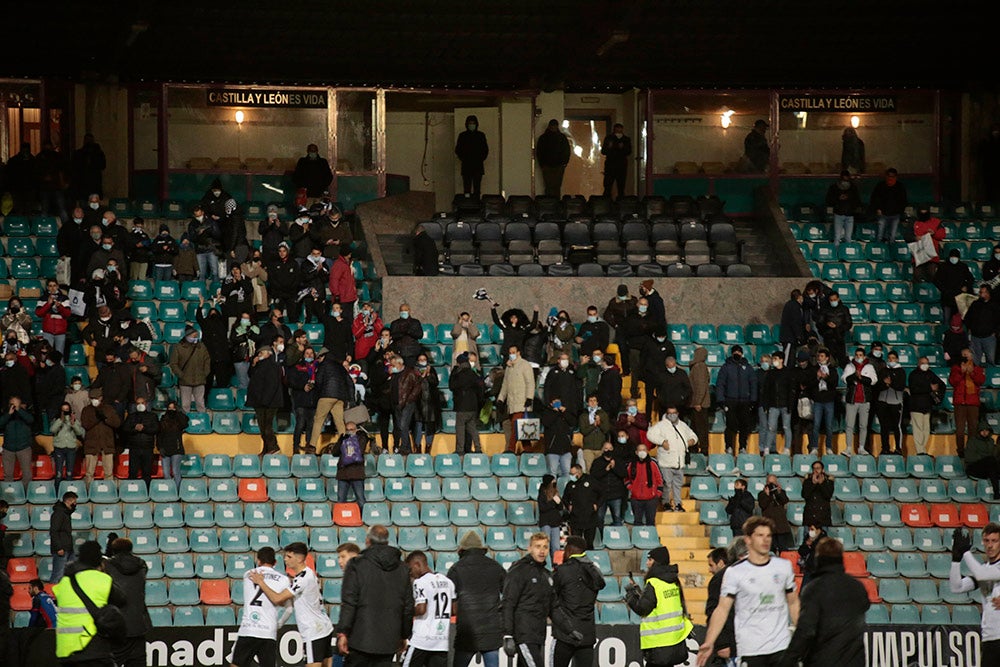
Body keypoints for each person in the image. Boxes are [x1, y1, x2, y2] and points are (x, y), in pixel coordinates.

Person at [698, 517, 799, 667]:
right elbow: (721, 609)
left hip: (780, 647)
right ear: (748, 540)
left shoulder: (783, 567)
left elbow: (793, 602)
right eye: (760, 535)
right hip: (751, 650)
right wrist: (711, 641)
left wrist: (804, 635)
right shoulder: (734, 573)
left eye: (768, 535)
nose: (765, 540)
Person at [780, 538, 869, 667]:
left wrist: (787, 661)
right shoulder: (857, 587)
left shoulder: (814, 589)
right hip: (855, 661)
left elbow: (805, 631)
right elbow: (864, 607)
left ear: (818, 558)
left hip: (823, 660)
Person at [336, 525, 415, 666]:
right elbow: (408, 606)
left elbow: (349, 601)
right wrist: (404, 634)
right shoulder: (403, 568)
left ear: (367, 541)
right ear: (386, 542)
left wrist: (343, 632)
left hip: (359, 639)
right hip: (389, 640)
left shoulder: (356, 565)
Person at [250, 542, 335, 667]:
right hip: (324, 627)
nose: (285, 559)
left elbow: (277, 599)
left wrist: (261, 583)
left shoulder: (303, 579)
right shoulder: (308, 573)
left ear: (299, 558)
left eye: (289, 557)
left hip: (313, 631)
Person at [52, 540, 126, 667]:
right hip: (93, 648)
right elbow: (121, 599)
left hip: (66, 651)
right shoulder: (102, 579)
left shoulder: (64, 582)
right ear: (98, 560)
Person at [625, 545, 694, 667]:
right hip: (674, 641)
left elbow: (642, 609)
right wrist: (639, 591)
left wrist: (630, 594)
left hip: (658, 644)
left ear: (657, 562)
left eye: (650, 560)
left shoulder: (654, 583)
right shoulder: (673, 581)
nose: (647, 564)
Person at [448, 530, 506, 667]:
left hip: (467, 632)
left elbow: (450, 601)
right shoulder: (496, 567)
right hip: (491, 630)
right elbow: (509, 594)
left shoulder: (456, 569)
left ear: (462, 550)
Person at [550, 535, 605, 667]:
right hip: (587, 634)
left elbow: (552, 597)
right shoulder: (593, 573)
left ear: (568, 550)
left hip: (565, 634)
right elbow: (601, 584)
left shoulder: (562, 571)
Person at [231, 547, 290, 667]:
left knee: (236, 664)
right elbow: (289, 609)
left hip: (248, 628)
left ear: (258, 560)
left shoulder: (248, 574)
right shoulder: (284, 580)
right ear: (275, 562)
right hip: (268, 631)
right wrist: (279, 624)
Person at [501, 532, 554, 667]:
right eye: (538, 546)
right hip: (524, 635)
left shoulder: (546, 575)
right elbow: (508, 603)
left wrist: (569, 629)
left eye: (545, 547)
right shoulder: (519, 571)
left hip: (538, 635)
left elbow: (554, 607)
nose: (542, 551)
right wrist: (507, 635)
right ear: (529, 548)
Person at [950, 523, 1000, 666]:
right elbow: (956, 587)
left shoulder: (988, 570)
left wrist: (966, 552)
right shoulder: (985, 568)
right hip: (990, 637)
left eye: (994, 541)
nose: (990, 545)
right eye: (986, 541)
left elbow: (982, 575)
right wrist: (955, 561)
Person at [403, 550, 456, 667]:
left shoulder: (420, 582)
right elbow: (453, 610)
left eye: (410, 569)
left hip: (422, 640)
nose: (410, 574)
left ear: (417, 565)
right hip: (441, 641)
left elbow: (421, 609)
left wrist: (406, 610)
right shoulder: (448, 582)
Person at [106, 537, 152, 667]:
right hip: (138, 624)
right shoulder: (142, 564)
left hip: (117, 625)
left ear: (113, 550)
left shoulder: (107, 566)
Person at [649, 406, 696, 512]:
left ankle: (678, 503)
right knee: (667, 483)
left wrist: (691, 441)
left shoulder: (682, 425)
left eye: (674, 413)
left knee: (678, 484)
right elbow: (650, 434)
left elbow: (693, 435)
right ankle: (666, 503)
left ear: (678, 413)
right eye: (670, 413)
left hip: (679, 461)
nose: (672, 415)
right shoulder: (661, 425)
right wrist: (662, 441)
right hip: (666, 461)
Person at [716, 345, 757, 454]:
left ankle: (742, 447)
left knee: (744, 425)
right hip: (730, 400)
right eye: (735, 352)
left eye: (739, 352)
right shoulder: (726, 367)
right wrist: (721, 400)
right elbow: (720, 384)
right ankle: (729, 446)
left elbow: (753, 383)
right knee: (730, 425)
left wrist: (753, 400)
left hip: (745, 401)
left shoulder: (747, 367)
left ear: (742, 353)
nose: (737, 354)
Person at [247, 345, 287, 455]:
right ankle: (267, 448)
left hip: (270, 402)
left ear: (268, 353)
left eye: (261, 353)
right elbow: (251, 376)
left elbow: (272, 385)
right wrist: (253, 365)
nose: (259, 355)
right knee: (262, 427)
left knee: (267, 427)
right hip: (260, 402)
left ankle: (274, 447)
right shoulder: (259, 366)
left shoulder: (273, 366)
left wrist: (265, 400)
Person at [498, 345, 536, 453]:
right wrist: (501, 399)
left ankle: (511, 448)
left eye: (513, 352)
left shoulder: (525, 365)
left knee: (516, 426)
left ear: (519, 353)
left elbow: (530, 383)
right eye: (510, 352)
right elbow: (505, 385)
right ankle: (528, 449)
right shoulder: (509, 367)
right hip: (512, 402)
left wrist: (529, 397)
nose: (511, 354)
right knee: (521, 427)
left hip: (522, 403)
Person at [704, 548, 737, 667]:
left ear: (721, 563)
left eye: (711, 565)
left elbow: (715, 612)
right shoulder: (738, 574)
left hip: (729, 644)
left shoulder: (718, 580)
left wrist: (722, 644)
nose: (709, 570)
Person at [841, 347, 876, 456]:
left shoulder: (869, 367)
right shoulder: (849, 366)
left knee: (863, 425)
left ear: (864, 356)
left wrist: (861, 378)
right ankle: (848, 448)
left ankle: (861, 447)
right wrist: (854, 376)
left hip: (864, 401)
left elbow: (873, 380)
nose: (858, 357)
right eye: (857, 355)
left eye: (860, 355)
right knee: (849, 425)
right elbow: (844, 379)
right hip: (852, 401)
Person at [951, 347, 986, 457]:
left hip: (973, 403)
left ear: (972, 356)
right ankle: (960, 451)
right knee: (960, 429)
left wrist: (972, 373)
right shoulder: (956, 368)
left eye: (968, 354)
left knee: (973, 429)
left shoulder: (977, 369)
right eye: (963, 354)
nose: (966, 356)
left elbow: (981, 381)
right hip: (960, 403)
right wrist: (961, 372)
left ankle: (970, 450)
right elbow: (953, 381)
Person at [169, 326, 211, 412]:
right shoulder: (179, 347)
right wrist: (181, 375)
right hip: (185, 381)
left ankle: (201, 420)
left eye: (196, 336)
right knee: (185, 404)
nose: (195, 338)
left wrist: (205, 373)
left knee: (200, 403)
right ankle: (185, 422)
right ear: (187, 336)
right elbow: (173, 364)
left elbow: (207, 360)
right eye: (193, 336)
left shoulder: (201, 347)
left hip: (200, 379)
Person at [450, 352, 485, 454]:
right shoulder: (473, 374)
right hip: (473, 406)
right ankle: (478, 448)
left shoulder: (458, 374)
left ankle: (460, 450)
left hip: (462, 406)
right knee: (473, 429)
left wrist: (453, 372)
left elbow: (452, 386)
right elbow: (480, 388)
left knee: (460, 428)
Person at [907, 358, 943, 456]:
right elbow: (914, 389)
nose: (925, 365)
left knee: (926, 429)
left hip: (927, 406)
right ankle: (920, 451)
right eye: (923, 363)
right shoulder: (913, 374)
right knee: (918, 429)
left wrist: (937, 390)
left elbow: (940, 384)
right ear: (918, 364)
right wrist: (929, 388)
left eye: (927, 363)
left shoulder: (930, 374)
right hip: (916, 406)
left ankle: (923, 449)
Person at [873, 350, 906, 455]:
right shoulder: (883, 371)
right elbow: (879, 385)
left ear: (897, 359)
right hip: (883, 401)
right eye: (889, 358)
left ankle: (898, 448)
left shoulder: (901, 371)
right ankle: (885, 448)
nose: (891, 360)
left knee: (897, 426)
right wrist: (885, 384)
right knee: (884, 426)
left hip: (896, 402)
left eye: (893, 358)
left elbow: (901, 386)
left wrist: (890, 383)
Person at [563, 463, 602, 550]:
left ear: (579, 473)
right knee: (576, 545)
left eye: (572, 474)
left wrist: (597, 505)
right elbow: (565, 498)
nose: (571, 476)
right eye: (570, 474)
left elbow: (602, 494)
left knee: (589, 544)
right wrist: (569, 506)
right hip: (576, 518)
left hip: (590, 517)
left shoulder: (591, 481)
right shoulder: (570, 484)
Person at [123, 397, 159, 488]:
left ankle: (146, 491)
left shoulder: (152, 416)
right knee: (132, 472)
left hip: (147, 448)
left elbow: (156, 429)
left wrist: (144, 428)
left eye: (142, 403)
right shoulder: (131, 416)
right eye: (138, 403)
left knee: (147, 472)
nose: (140, 405)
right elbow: (125, 429)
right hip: (134, 448)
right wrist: (135, 429)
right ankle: (132, 491)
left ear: (146, 404)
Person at [592, 440, 628, 531]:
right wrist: (606, 470)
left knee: (617, 519)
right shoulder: (597, 462)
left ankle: (617, 539)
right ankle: (600, 537)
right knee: (599, 519)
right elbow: (593, 475)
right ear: (602, 450)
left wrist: (615, 467)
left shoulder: (618, 461)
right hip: (601, 496)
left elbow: (624, 474)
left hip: (616, 495)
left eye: (610, 448)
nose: (608, 450)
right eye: (606, 448)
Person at [936, 248, 976, 327]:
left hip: (960, 299)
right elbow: (936, 280)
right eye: (952, 256)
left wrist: (966, 286)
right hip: (947, 298)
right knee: (947, 320)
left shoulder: (963, 267)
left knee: (959, 321)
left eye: (955, 257)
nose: (954, 258)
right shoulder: (943, 267)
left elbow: (971, 279)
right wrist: (944, 290)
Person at [808, 348, 838, 454]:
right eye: (818, 356)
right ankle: (815, 447)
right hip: (818, 401)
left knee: (829, 426)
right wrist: (817, 377)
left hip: (829, 400)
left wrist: (825, 377)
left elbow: (834, 384)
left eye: (822, 356)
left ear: (827, 358)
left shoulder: (833, 370)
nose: (820, 358)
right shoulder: (814, 369)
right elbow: (809, 384)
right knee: (816, 425)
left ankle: (829, 447)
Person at [332, 421, 368, 508]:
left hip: (356, 473)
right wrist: (340, 441)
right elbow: (334, 453)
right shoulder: (343, 439)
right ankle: (341, 519)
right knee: (340, 500)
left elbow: (360, 450)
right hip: (343, 474)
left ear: (356, 430)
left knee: (361, 500)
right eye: (347, 430)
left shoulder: (361, 438)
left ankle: (363, 518)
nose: (349, 431)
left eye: (351, 429)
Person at [0, 396, 34, 488]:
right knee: (8, 475)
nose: (14, 405)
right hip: (8, 449)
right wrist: (9, 414)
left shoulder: (26, 413)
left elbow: (30, 420)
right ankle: (9, 495)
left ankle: (26, 493)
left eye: (16, 403)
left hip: (24, 448)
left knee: (27, 474)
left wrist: (19, 409)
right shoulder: (5, 414)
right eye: (12, 403)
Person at [627, 443, 663, 526]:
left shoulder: (653, 464)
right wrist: (632, 489)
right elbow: (627, 479)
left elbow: (660, 479)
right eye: (640, 450)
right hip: (636, 499)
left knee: (650, 522)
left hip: (651, 499)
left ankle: (650, 539)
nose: (642, 452)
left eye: (644, 450)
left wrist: (657, 493)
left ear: (647, 451)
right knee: (637, 522)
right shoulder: (631, 465)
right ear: (636, 452)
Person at [869, 167, 908, 244]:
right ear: (886, 176)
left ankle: (891, 253)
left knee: (892, 237)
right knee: (880, 236)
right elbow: (874, 199)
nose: (890, 178)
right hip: (883, 214)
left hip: (895, 215)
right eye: (889, 176)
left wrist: (900, 211)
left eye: (892, 176)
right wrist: (878, 209)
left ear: (896, 177)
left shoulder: (900, 187)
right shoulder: (880, 186)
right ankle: (879, 252)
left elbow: (903, 200)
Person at [965, 284, 1000, 366]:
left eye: (984, 292)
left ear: (988, 293)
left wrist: (995, 332)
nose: (982, 294)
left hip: (989, 337)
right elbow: (968, 318)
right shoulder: (975, 304)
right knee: (974, 361)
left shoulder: (995, 305)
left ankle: (990, 377)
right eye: (981, 292)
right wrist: (970, 328)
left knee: (991, 360)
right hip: (975, 337)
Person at [815, 291, 852, 368]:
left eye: (834, 299)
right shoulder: (825, 310)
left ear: (838, 299)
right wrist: (827, 325)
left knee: (842, 361)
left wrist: (838, 328)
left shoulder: (844, 309)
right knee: (830, 362)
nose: (833, 301)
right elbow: (819, 323)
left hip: (840, 338)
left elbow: (849, 324)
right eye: (831, 300)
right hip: (828, 338)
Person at [965, 419, 1000, 501]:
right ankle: (997, 493)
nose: (984, 432)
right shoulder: (972, 441)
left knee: (992, 463)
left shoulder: (991, 441)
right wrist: (985, 457)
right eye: (982, 430)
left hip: (988, 468)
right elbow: (969, 457)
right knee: (990, 460)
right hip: (974, 468)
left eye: (986, 430)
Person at [825, 170, 862, 249]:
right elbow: (829, 200)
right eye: (843, 179)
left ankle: (847, 253)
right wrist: (838, 198)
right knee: (837, 237)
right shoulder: (834, 187)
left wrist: (849, 198)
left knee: (848, 237)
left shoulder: (853, 188)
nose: (845, 181)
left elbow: (857, 201)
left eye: (846, 179)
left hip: (850, 215)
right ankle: (836, 254)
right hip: (838, 214)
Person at [455, 115, 489, 196]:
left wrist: (480, 159)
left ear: (477, 124)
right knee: (467, 188)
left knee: (477, 188)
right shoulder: (462, 136)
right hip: (466, 165)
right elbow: (458, 150)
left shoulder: (481, 135)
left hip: (478, 165)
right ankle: (467, 204)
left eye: (473, 123)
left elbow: (485, 150)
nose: (471, 125)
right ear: (466, 124)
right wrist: (464, 159)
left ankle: (476, 203)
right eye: (470, 123)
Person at [536, 119, 572, 197]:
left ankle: (549, 204)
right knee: (554, 187)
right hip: (555, 165)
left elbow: (539, 152)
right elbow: (567, 151)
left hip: (551, 165)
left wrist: (542, 164)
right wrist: (564, 163)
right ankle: (555, 204)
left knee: (551, 187)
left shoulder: (543, 138)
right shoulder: (561, 137)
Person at [912, 204, 946, 284]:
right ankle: (918, 294)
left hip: (932, 255)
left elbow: (942, 235)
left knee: (932, 274)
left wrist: (934, 233)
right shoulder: (913, 222)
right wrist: (915, 238)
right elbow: (907, 235)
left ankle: (933, 294)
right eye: (921, 212)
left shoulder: (937, 222)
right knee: (917, 276)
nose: (923, 213)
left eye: (925, 211)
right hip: (918, 255)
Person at [758, 475, 793, 552]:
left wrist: (778, 492)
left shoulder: (781, 492)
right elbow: (762, 505)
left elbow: (785, 500)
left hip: (781, 525)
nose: (771, 485)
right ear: (766, 483)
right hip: (769, 525)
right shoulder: (762, 494)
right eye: (769, 483)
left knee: (783, 548)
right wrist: (767, 495)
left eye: (773, 482)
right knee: (770, 549)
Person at [49, 491, 78, 583]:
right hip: (61, 549)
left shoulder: (66, 513)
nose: (75, 504)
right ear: (69, 501)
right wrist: (59, 547)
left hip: (68, 548)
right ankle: (52, 594)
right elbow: (54, 531)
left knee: (71, 574)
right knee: (58, 574)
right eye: (74, 502)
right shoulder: (59, 514)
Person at [158, 401, 188, 487]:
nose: (171, 410)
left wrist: (178, 412)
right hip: (165, 449)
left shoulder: (179, 421)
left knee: (176, 472)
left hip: (177, 449)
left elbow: (185, 423)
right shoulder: (163, 419)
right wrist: (160, 447)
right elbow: (159, 435)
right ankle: (170, 491)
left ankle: (177, 491)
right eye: (169, 408)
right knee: (166, 473)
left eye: (173, 408)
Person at [578, 393, 611, 471]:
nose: (592, 402)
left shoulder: (603, 414)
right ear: (587, 403)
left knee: (600, 469)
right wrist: (594, 425)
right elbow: (583, 431)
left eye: (594, 400)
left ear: (597, 402)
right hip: (588, 448)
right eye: (590, 400)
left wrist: (599, 423)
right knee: (589, 469)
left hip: (600, 447)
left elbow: (606, 429)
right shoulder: (583, 416)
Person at [536, 474, 564, 560]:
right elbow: (543, 508)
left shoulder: (555, 492)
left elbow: (560, 507)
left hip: (555, 523)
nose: (554, 483)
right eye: (552, 481)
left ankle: (556, 565)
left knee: (556, 546)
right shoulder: (542, 494)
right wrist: (553, 502)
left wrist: (559, 502)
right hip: (546, 523)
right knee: (545, 545)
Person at [72, 133, 107, 200]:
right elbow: (75, 168)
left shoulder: (98, 153)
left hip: (94, 181)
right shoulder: (79, 154)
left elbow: (103, 165)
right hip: (83, 182)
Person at [601, 123, 631, 199]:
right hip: (611, 165)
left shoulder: (626, 139)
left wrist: (622, 148)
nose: (618, 130)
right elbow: (604, 151)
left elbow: (628, 151)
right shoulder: (609, 138)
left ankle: (619, 200)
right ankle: (608, 200)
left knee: (620, 185)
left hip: (620, 165)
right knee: (608, 185)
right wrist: (610, 147)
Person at [802, 460, 834, 529]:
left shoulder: (828, 481)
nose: (816, 470)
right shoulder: (808, 481)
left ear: (822, 470)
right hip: (809, 518)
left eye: (818, 468)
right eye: (814, 468)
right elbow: (804, 495)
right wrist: (813, 484)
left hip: (823, 518)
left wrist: (821, 484)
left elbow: (828, 495)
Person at [778, 290, 805, 366]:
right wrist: (799, 336)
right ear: (799, 297)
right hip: (789, 337)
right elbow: (795, 322)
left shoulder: (790, 305)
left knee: (791, 359)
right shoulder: (794, 306)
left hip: (790, 337)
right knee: (787, 359)